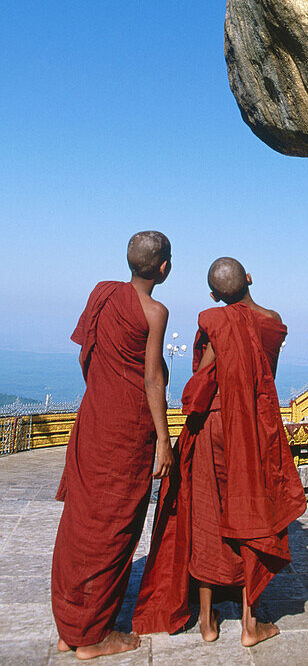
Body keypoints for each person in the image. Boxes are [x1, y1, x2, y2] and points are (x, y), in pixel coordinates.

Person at [133, 257, 306, 647]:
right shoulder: (271, 319)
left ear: (213, 295)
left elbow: (202, 383)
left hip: (214, 426)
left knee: (208, 515)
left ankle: (208, 621)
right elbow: (262, 373)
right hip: (253, 428)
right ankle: (249, 623)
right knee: (253, 511)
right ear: (249, 278)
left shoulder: (215, 322)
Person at [51, 231, 173, 660]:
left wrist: (104, 391)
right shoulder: (155, 312)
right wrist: (163, 438)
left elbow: (87, 351)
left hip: (95, 418)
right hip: (128, 429)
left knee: (82, 522)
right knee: (113, 528)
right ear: (164, 268)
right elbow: (153, 378)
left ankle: (71, 627)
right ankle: (94, 635)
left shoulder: (103, 294)